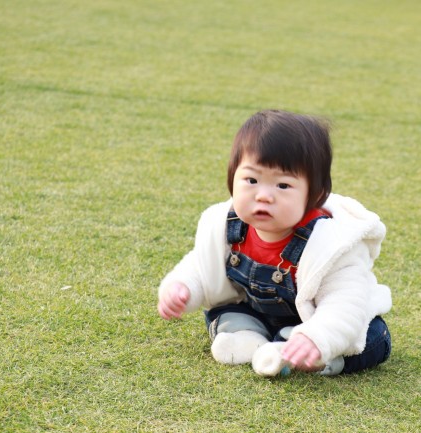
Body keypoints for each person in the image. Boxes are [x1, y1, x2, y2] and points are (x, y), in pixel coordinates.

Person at [158, 109, 392, 376]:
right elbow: (203, 264)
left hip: (315, 319)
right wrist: (182, 288)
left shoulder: (331, 243)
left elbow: (345, 303)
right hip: (255, 311)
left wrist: (317, 337)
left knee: (372, 337)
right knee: (222, 310)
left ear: (314, 195)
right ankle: (247, 338)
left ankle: (312, 357)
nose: (264, 196)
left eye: (282, 185)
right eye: (251, 180)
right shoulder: (228, 225)